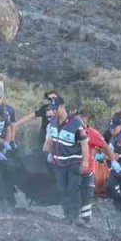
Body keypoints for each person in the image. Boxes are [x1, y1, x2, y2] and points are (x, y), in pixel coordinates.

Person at [43, 96, 88, 224]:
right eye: (53, 109)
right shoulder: (52, 121)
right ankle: (67, 215)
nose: (54, 111)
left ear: (62, 107)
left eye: (56, 108)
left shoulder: (76, 123)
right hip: (58, 162)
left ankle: (75, 216)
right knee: (62, 189)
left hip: (73, 161)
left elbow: (84, 143)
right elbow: (50, 139)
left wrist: (85, 161)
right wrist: (46, 151)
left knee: (73, 188)